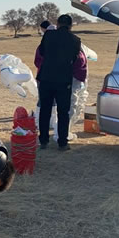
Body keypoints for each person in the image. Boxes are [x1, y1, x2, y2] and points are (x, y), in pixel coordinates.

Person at [37, 14, 81, 151]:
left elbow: (42, 52)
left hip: (46, 78)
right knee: (63, 112)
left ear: (58, 23)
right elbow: (74, 58)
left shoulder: (48, 35)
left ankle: (43, 140)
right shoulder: (75, 40)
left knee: (45, 110)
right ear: (70, 25)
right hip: (63, 80)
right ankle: (62, 142)